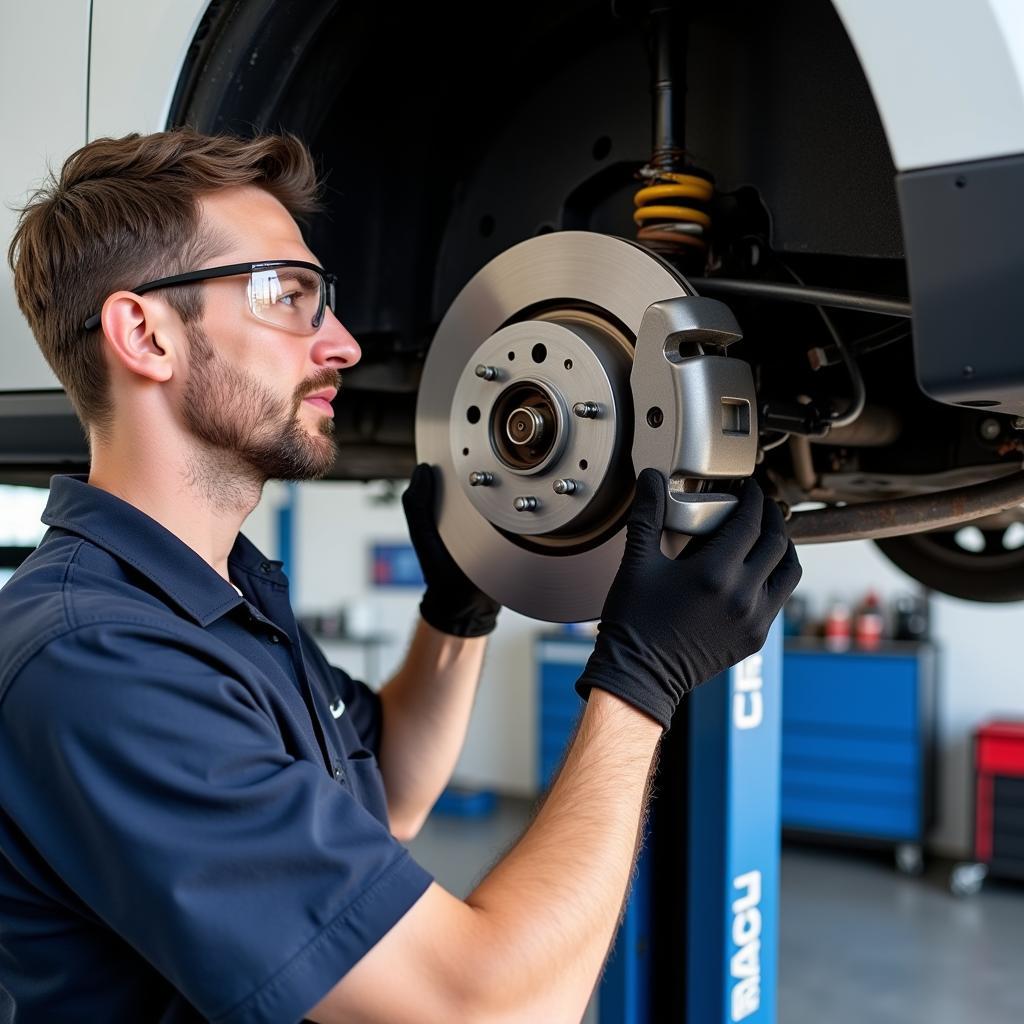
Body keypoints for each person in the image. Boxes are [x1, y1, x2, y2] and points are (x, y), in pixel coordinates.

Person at [0, 128, 801, 1023]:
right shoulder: (102, 662)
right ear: (145, 334)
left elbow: (397, 795)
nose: (341, 343)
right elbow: (485, 1011)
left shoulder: (209, 599)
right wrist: (641, 683)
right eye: (289, 296)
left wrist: (459, 605)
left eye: (325, 299)